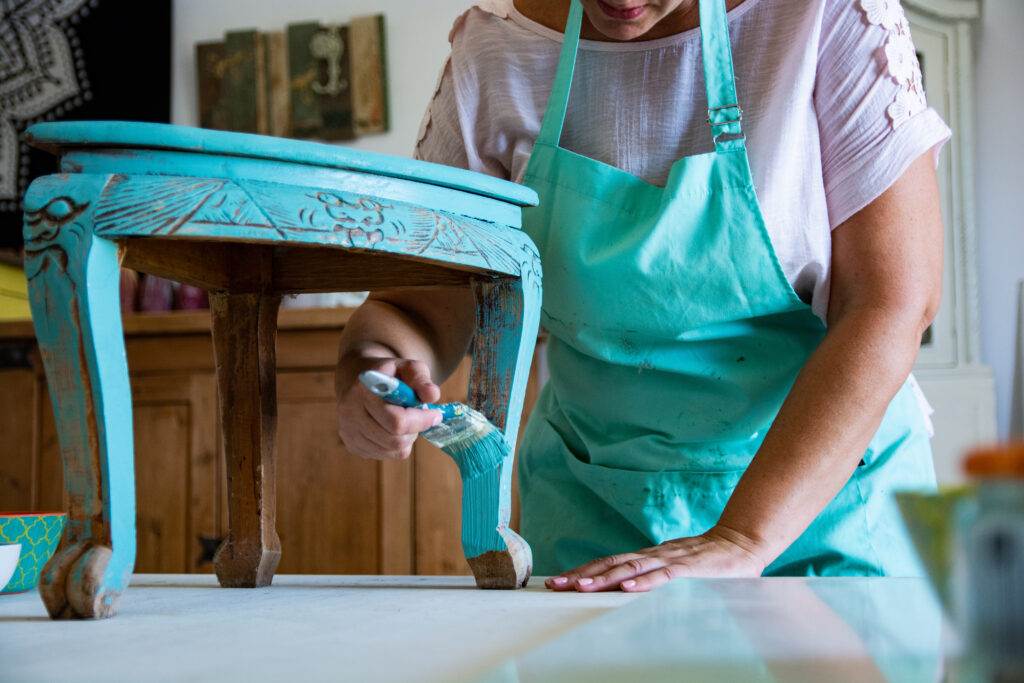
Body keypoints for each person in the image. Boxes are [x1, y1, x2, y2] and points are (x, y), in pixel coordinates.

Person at [335, 0, 950, 592]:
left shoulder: (823, 16)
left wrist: (742, 536)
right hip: (594, 510)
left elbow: (892, 302)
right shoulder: (497, 51)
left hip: (824, 505)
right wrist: (374, 371)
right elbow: (412, 308)